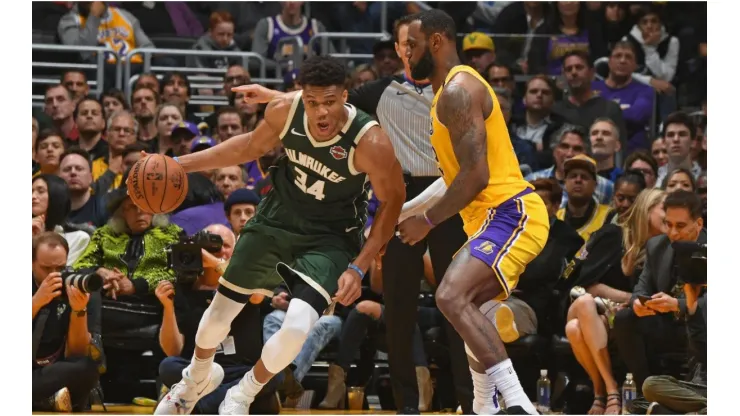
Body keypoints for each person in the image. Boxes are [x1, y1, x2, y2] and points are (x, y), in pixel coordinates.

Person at [153, 55, 405, 415]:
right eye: (313, 103)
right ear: (302, 96)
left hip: (330, 238)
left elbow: (394, 201)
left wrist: (360, 266)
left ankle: (242, 394)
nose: (321, 113)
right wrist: (180, 164)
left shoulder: (371, 143)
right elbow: (247, 147)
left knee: (297, 326)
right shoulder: (285, 110)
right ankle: (194, 378)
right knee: (218, 316)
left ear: (345, 97)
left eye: (330, 103)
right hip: (276, 220)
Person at [397, 10, 550, 415]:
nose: (404, 54)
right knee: (469, 309)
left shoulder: (458, 91)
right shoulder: (445, 94)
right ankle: (484, 408)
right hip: (490, 219)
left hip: (510, 212)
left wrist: (426, 221)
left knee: (449, 295)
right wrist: (403, 212)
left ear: (435, 41)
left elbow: (477, 176)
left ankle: (519, 405)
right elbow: (455, 176)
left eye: (410, 44)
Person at [563, 189, 666, 415]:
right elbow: (589, 285)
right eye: (664, 209)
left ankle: (600, 394)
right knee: (585, 304)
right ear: (647, 209)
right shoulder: (613, 235)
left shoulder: (661, 249)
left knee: (574, 329)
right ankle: (612, 390)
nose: (670, 217)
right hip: (586, 307)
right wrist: (632, 299)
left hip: (610, 320)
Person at [32, 232, 100, 412]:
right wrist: (37, 301)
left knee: (88, 367)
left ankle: (46, 400)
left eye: (60, 267)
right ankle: (45, 400)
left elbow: (77, 352)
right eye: (46, 268)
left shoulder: (80, 288)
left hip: (54, 371)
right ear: (31, 264)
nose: (54, 275)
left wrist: (79, 310)